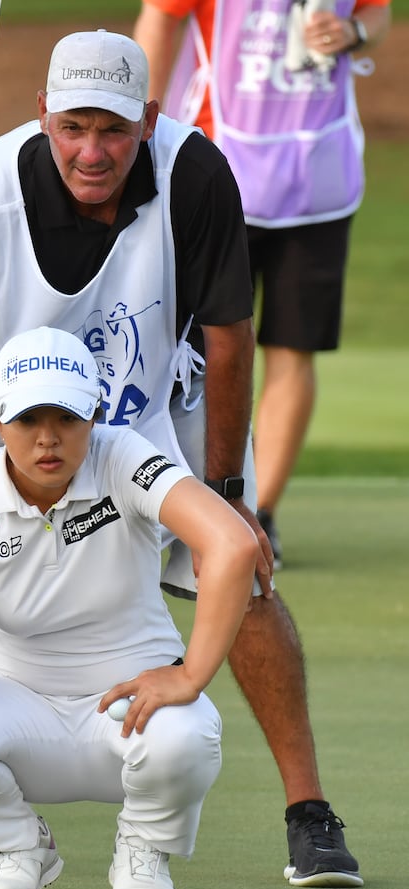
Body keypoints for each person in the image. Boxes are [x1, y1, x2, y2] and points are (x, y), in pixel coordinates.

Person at [0, 29, 363, 888]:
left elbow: (229, 341)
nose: (92, 150)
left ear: (147, 120)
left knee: (246, 571)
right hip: (16, 398)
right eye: (73, 126)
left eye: (113, 130)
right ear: (43, 115)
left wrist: (226, 494)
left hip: (156, 392)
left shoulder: (194, 175)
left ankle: (308, 812)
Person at [0, 326, 259, 889]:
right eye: (27, 420)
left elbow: (233, 545)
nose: (47, 440)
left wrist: (190, 674)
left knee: (188, 732)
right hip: (18, 711)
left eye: (66, 418)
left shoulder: (124, 458)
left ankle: (143, 847)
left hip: (128, 711)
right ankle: (15, 849)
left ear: (95, 413)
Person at [134, 0, 392, 567]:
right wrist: (136, 126)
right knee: (187, 352)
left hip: (318, 180)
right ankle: (173, 504)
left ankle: (259, 514)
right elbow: (159, 19)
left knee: (293, 349)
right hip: (219, 169)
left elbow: (377, 15)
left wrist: (350, 32)